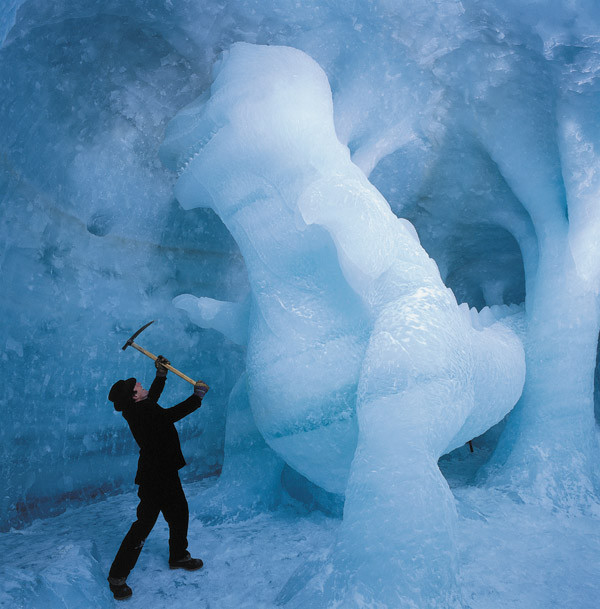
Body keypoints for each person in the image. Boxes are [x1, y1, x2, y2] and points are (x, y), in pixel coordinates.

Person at [106, 355, 209, 600]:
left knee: (179, 511)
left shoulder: (139, 406)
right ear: (134, 396)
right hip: (155, 477)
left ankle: (178, 556)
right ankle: (117, 576)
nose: (140, 385)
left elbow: (152, 398)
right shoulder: (141, 413)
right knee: (144, 524)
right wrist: (197, 397)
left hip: (164, 471)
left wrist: (160, 375)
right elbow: (170, 414)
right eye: (137, 386)